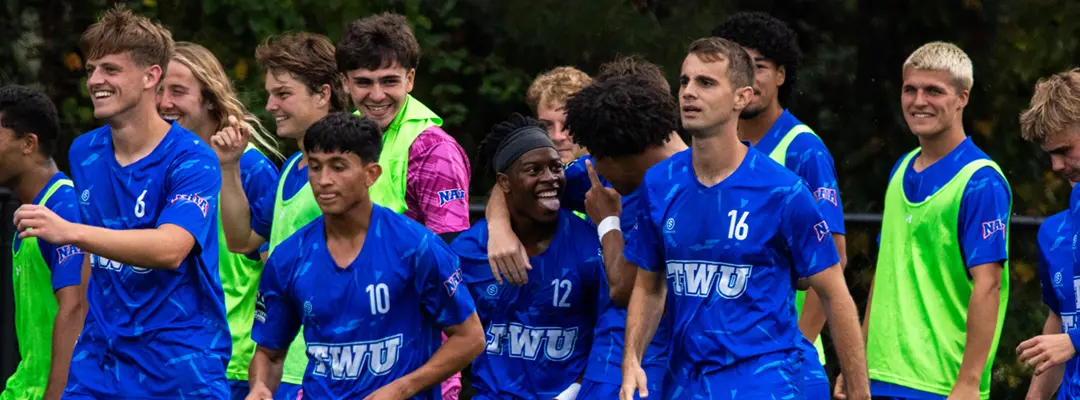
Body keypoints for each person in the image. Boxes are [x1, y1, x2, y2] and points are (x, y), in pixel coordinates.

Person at [619, 37, 869, 400]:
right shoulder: (660, 183)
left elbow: (834, 294)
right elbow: (649, 284)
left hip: (768, 383)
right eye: (685, 81)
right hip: (685, 384)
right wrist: (631, 360)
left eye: (706, 83)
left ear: (742, 97)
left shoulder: (783, 191)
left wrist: (860, 393)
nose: (689, 92)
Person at [14, 5, 231, 398]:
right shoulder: (85, 152)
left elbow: (170, 248)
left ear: (152, 76)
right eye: (91, 70)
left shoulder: (192, 158)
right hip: (100, 361)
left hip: (178, 365)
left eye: (110, 70)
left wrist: (71, 232)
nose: (95, 80)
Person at [246, 112, 484, 400]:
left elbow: (470, 337)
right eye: (316, 166)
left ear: (371, 174)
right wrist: (259, 387)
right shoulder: (288, 257)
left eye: (338, 167)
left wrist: (403, 388)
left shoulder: (416, 247)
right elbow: (269, 354)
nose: (323, 180)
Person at [847, 42, 1010, 400]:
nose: (918, 101)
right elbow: (885, 273)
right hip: (880, 374)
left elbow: (989, 287)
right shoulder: (900, 169)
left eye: (933, 90)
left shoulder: (981, 180)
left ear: (962, 98)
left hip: (941, 385)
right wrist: (855, 361)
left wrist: (968, 382)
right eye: (910, 89)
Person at [712, 13, 846, 398]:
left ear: (782, 75)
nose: (749, 78)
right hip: (720, 359)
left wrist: (797, 347)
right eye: (739, 67)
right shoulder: (714, 148)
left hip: (782, 365)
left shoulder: (803, 149)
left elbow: (833, 258)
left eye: (760, 67)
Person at [213, 31, 347, 400]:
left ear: (323, 93)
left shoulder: (351, 167)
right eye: (270, 93)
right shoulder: (290, 167)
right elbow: (243, 241)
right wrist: (228, 168)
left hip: (330, 367)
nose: (270, 105)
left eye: (283, 93)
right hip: (282, 363)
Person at [157, 41, 283, 399]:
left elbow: (276, 273)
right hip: (167, 354)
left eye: (178, 91)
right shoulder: (161, 163)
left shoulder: (250, 167)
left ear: (210, 99)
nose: (164, 102)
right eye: (159, 90)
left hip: (230, 362)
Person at [451, 113, 604, 399]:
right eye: (534, 170)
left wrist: (574, 391)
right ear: (504, 183)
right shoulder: (468, 252)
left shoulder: (588, 247)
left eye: (555, 167)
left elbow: (610, 332)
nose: (550, 178)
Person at [559, 58, 684, 399]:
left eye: (598, 154)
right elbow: (519, 177)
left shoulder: (678, 187)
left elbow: (624, 286)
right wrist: (499, 226)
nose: (594, 164)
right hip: (607, 364)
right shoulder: (606, 170)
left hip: (660, 369)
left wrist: (608, 224)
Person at [337, 12, 471, 243]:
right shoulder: (340, 136)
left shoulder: (436, 151)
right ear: (344, 83)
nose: (377, 96)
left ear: (409, 79)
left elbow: (450, 250)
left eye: (389, 81)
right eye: (364, 82)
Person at [0, 85, 86, 400]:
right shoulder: (31, 211)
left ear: (28, 143)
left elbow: (75, 308)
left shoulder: (66, 208)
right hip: (23, 388)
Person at [1016, 68, 1080, 399]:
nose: (1055, 166)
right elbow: (1060, 322)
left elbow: (1068, 341)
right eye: (1050, 154)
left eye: (1064, 149)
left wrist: (1075, 342)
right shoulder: (1054, 233)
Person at [525, 66, 592, 164]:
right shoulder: (521, 176)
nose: (557, 136)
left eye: (569, 124)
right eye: (547, 125)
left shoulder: (615, 177)